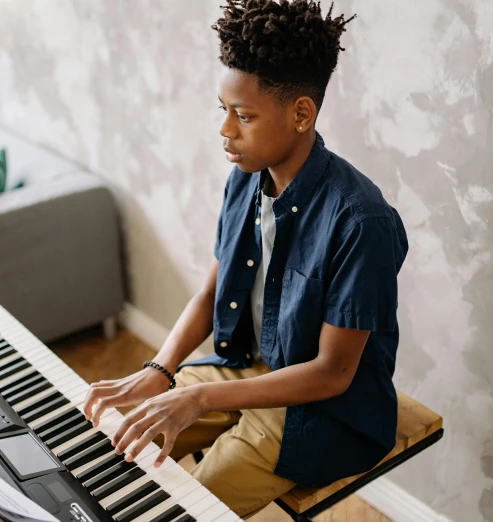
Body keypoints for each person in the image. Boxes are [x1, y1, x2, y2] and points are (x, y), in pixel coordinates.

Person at [84, 0, 409, 517]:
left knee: (180, 509)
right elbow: (212, 292)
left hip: (327, 413)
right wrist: (160, 370)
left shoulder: (361, 222)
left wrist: (200, 399)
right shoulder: (244, 179)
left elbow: (331, 373)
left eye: (244, 115)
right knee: (114, 442)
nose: (225, 130)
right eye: (223, 109)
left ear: (301, 113)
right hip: (249, 368)